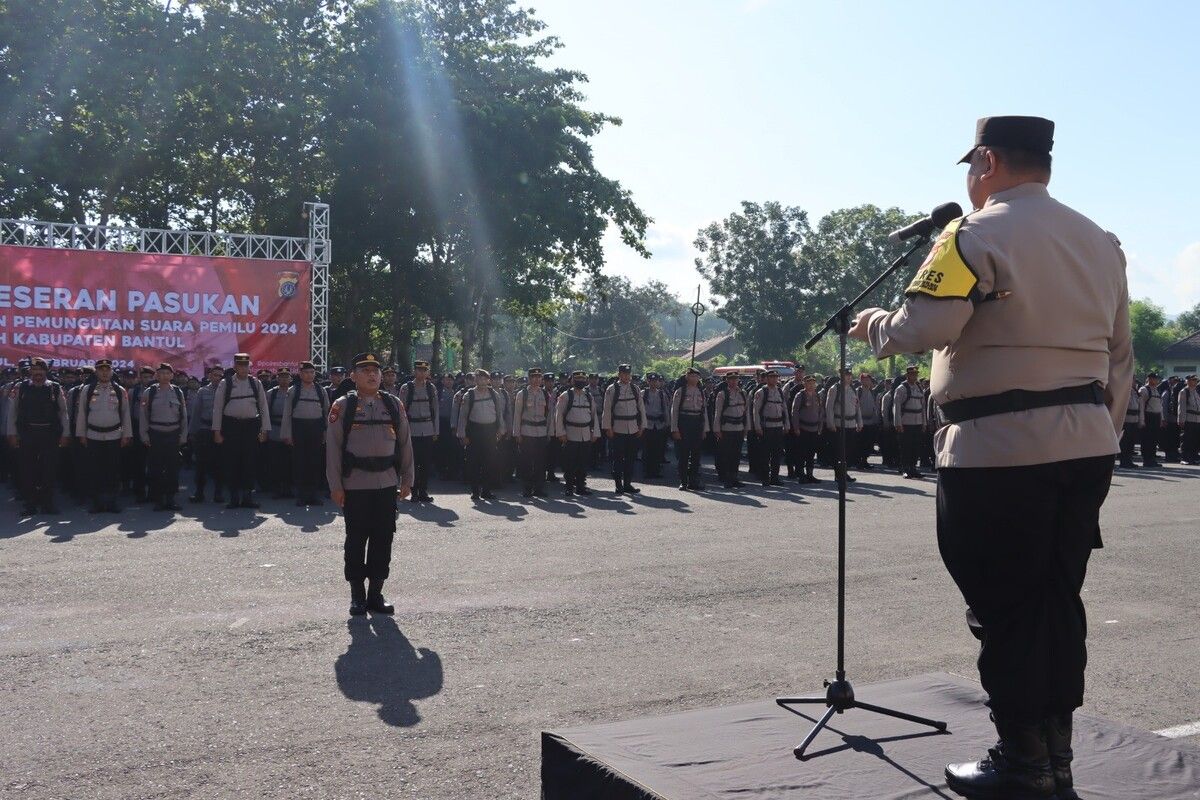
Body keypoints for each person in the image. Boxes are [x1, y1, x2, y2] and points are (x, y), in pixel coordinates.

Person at [850, 116, 1132, 800]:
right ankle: (1054, 759)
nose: (970, 180)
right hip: (1086, 445)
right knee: (1056, 604)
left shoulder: (970, 234)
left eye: (971, 166)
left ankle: (1022, 761)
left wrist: (876, 327)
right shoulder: (1101, 241)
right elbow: (1121, 357)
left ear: (988, 160)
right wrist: (1102, 436)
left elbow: (930, 326)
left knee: (1004, 608)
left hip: (996, 451)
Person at [326, 352, 414, 616]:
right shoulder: (343, 406)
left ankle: (376, 593)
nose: (372, 374)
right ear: (353, 376)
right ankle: (357, 596)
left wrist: (408, 478)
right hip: (355, 484)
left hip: (386, 484)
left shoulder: (393, 404)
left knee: (383, 539)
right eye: (364, 370)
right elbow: (333, 448)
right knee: (355, 540)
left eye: (375, 370)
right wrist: (335, 485)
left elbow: (406, 443)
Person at [5, 357, 69, 516]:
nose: (37, 374)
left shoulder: (55, 388)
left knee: (49, 470)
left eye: (40, 371)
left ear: (46, 372)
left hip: (50, 435)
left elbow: (63, 412)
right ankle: (30, 504)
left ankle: (48, 504)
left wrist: (65, 434)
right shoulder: (21, 388)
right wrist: (11, 433)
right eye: (34, 371)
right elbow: (12, 412)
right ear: (30, 372)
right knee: (28, 471)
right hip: (27, 435)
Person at [212, 353, 270, 509]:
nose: (244, 368)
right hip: (231, 427)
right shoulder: (226, 383)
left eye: (246, 365)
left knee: (249, 462)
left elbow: (263, 407)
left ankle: (247, 497)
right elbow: (217, 409)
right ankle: (233, 497)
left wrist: (265, 429)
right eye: (240, 365)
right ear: (235, 366)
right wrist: (217, 431)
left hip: (251, 427)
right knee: (232, 462)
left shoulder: (255, 383)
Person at [76, 358, 131, 512]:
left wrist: (126, 435)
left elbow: (125, 414)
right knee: (95, 470)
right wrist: (81, 434)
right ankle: (97, 502)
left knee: (112, 470)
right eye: (101, 370)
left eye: (107, 369)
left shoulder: (120, 390)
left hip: (114, 435)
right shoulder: (88, 389)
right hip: (93, 436)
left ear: (112, 371)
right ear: (96, 372)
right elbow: (82, 413)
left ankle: (112, 502)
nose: (105, 372)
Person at [139, 363, 188, 512]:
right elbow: (143, 415)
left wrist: (183, 435)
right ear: (157, 376)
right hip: (156, 434)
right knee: (156, 468)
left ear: (172, 375)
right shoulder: (150, 392)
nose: (164, 376)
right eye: (161, 373)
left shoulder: (178, 392)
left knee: (173, 468)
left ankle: (171, 499)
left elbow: (184, 416)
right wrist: (144, 435)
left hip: (173, 434)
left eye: (167, 373)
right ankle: (158, 499)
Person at [281, 360, 330, 506]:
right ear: (300, 374)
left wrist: (326, 433)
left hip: (316, 429)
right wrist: (287, 434)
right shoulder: (293, 390)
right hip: (299, 428)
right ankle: (302, 495)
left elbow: (326, 413)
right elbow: (287, 414)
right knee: (300, 462)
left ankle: (313, 494)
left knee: (315, 462)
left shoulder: (321, 391)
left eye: (312, 372)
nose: (309, 375)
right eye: (306, 372)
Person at [456, 368, 504, 500]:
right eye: (478, 378)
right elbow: (463, 417)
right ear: (475, 380)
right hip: (474, 432)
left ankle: (486, 490)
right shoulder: (469, 395)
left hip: (490, 432)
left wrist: (501, 430)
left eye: (484, 378)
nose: (481, 380)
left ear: (488, 380)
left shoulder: (494, 395)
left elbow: (499, 414)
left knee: (489, 462)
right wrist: (463, 435)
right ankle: (475, 491)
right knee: (474, 463)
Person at [602, 364, 647, 494]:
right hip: (617, 429)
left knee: (631, 459)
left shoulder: (635, 388)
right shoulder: (612, 389)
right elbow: (607, 410)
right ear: (619, 374)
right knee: (618, 459)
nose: (627, 376)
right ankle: (618, 485)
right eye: (624, 374)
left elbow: (641, 408)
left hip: (633, 428)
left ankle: (627, 484)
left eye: (628, 374)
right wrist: (608, 428)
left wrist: (642, 426)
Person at [556, 370, 601, 496]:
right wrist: (561, 433)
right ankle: (569, 487)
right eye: (577, 380)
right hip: (570, 434)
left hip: (585, 434)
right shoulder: (566, 396)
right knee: (570, 463)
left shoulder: (588, 396)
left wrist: (595, 432)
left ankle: (581, 486)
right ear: (572, 381)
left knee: (582, 462)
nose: (580, 382)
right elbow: (559, 416)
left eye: (582, 379)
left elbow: (594, 416)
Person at [399, 361, 439, 503]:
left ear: (427, 372)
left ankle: (423, 491)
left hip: (427, 428)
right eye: (419, 370)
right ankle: (413, 492)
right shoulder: (406, 387)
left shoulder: (431, 387)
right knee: (413, 463)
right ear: (414, 371)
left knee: (426, 462)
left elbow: (435, 409)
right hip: (412, 429)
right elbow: (401, 411)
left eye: (424, 370)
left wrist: (436, 430)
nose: (422, 373)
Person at [188, 365, 226, 503]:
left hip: (220, 431)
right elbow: (196, 413)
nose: (217, 378)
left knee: (220, 464)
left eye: (220, 376)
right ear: (209, 376)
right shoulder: (202, 391)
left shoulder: (226, 391)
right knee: (201, 464)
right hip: (204, 430)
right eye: (215, 375)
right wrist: (192, 432)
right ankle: (199, 492)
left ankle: (218, 493)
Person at [513, 367, 552, 498]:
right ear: (529, 379)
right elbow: (517, 415)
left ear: (541, 378)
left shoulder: (545, 394)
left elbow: (549, 415)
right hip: (526, 432)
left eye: (538, 377)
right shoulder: (522, 394)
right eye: (533, 377)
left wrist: (549, 433)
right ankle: (527, 488)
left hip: (541, 432)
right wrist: (517, 434)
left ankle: (539, 488)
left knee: (541, 462)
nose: (536, 379)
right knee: (527, 462)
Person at [670, 368, 708, 491]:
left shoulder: (701, 392)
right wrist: (675, 429)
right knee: (684, 454)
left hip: (697, 423)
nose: (694, 378)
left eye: (696, 376)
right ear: (687, 377)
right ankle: (683, 481)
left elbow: (704, 411)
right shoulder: (680, 391)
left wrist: (705, 428)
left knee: (696, 455)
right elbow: (674, 411)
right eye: (691, 376)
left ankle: (693, 480)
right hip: (684, 422)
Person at [753, 370, 790, 486]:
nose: (774, 379)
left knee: (776, 454)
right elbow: (756, 412)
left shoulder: (779, 391)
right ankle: (765, 477)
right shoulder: (761, 392)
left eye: (776, 377)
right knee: (765, 454)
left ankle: (775, 477)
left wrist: (787, 424)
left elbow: (784, 409)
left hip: (778, 426)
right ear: (767, 378)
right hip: (766, 427)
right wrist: (757, 426)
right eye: (771, 377)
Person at [824, 369, 861, 484]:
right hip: (839, 424)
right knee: (838, 451)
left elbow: (857, 407)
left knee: (848, 450)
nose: (849, 378)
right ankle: (838, 474)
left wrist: (859, 422)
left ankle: (844, 473)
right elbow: (829, 407)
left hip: (850, 424)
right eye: (846, 375)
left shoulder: (853, 389)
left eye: (850, 375)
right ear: (841, 376)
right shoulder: (835, 389)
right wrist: (831, 423)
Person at [713, 372, 749, 488]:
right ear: (727, 381)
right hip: (726, 428)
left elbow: (746, 412)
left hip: (739, 428)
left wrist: (746, 428)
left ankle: (734, 477)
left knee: (736, 455)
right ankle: (726, 478)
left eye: (735, 379)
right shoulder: (722, 394)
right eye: (731, 379)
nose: (733, 381)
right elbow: (717, 413)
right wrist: (717, 429)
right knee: (726, 454)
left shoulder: (743, 393)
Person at [265, 368, 295, 498]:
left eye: (286, 376)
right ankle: (276, 489)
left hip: (290, 431)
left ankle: (288, 488)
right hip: (275, 430)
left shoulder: (295, 392)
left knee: (289, 462)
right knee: (275, 462)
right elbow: (264, 413)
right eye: (281, 376)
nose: (284, 379)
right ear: (277, 378)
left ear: (290, 379)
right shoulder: (271, 393)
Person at [893, 365, 927, 479]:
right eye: (912, 374)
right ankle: (905, 469)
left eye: (916, 374)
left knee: (915, 447)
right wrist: (898, 423)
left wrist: (924, 423)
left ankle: (913, 468)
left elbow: (923, 407)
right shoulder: (901, 388)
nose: (915, 376)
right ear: (907, 375)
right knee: (905, 447)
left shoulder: (919, 387)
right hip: (906, 422)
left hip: (917, 422)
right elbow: (896, 407)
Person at [790, 375, 824, 483]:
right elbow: (794, 412)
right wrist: (796, 427)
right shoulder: (800, 395)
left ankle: (810, 475)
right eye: (809, 383)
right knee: (801, 453)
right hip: (803, 428)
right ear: (804, 384)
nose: (811, 385)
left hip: (814, 428)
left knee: (811, 453)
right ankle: (801, 475)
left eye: (813, 383)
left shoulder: (817, 395)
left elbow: (820, 412)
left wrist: (820, 426)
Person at [641, 373, 670, 480]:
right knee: (647, 449)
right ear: (647, 381)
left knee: (657, 449)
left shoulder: (662, 394)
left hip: (659, 424)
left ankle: (656, 470)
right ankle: (647, 471)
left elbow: (666, 410)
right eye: (651, 381)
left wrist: (667, 423)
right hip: (647, 424)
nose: (654, 383)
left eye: (656, 381)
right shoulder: (643, 393)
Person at [1138, 373, 1163, 467]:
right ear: (1150, 379)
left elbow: (1160, 406)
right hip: (1148, 417)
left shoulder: (1157, 390)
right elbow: (1141, 406)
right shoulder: (1144, 390)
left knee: (1154, 440)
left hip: (1156, 417)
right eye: (1155, 379)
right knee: (1147, 440)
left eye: (1157, 379)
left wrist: (1161, 419)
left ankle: (1152, 459)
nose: (1157, 381)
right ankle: (1147, 460)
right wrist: (1142, 420)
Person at [1178, 374, 1200, 464]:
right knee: (1187, 439)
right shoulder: (1184, 392)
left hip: (1197, 419)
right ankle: (1185, 458)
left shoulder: (1196, 392)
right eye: (1193, 380)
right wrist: (1181, 419)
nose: (1195, 382)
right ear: (1188, 381)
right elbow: (1181, 407)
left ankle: (1193, 457)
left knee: (1195, 439)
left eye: (1195, 380)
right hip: (1188, 418)